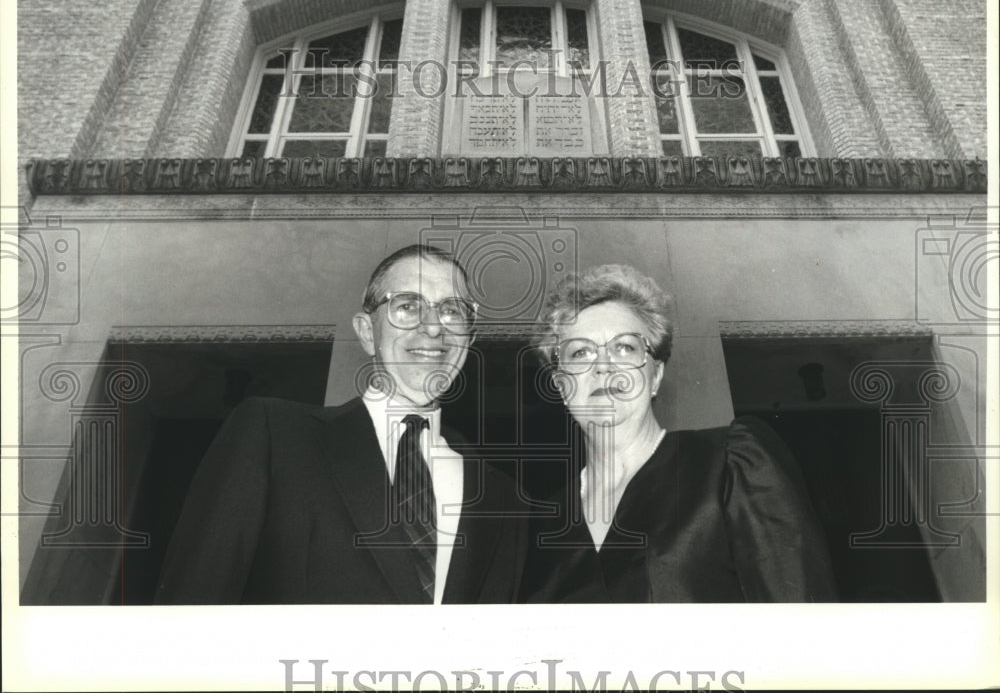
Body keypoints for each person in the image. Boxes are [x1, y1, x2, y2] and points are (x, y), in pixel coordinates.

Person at [155, 244, 529, 604]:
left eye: (452, 310)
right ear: (367, 332)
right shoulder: (274, 436)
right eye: (407, 306)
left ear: (470, 337)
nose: (433, 328)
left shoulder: (503, 499)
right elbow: (189, 609)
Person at [518, 264, 838, 603]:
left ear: (655, 375)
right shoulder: (538, 525)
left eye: (624, 348)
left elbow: (804, 628)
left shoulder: (729, 466)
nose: (603, 366)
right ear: (561, 386)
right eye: (580, 352)